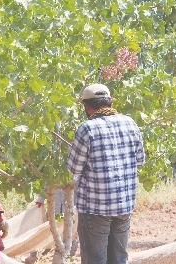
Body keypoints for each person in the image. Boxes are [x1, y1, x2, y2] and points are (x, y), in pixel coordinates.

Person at [67, 83, 145, 264]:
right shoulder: (130, 123)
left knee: (95, 259)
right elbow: (140, 160)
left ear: (87, 106)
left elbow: (73, 169)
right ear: (111, 102)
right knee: (119, 258)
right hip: (124, 206)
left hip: (95, 208)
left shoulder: (87, 128)